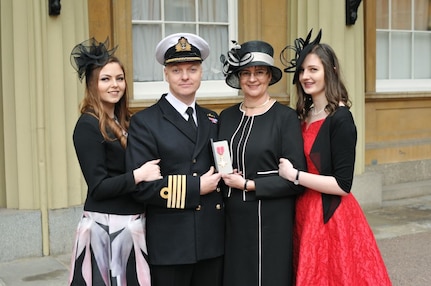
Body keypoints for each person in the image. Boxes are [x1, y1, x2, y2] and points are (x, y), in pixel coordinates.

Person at [279, 29, 392, 285]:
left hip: (330, 216)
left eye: (313, 70)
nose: (306, 76)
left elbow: (343, 185)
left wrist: (295, 175)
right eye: (302, 71)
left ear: (330, 70)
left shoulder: (340, 118)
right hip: (303, 212)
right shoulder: (304, 115)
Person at [125, 33, 224, 286]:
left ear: (202, 73)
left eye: (192, 69)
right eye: (176, 70)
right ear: (165, 75)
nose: (185, 76)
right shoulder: (145, 122)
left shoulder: (212, 119)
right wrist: (196, 187)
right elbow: (143, 188)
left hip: (211, 241)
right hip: (171, 245)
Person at [68, 38, 162, 286]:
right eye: (105, 79)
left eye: (119, 78)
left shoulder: (127, 121)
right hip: (105, 228)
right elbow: (98, 186)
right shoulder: (87, 126)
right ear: (92, 84)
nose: (115, 85)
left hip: (132, 224)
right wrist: (138, 176)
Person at [218, 40, 306, 286]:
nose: (252, 79)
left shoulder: (285, 118)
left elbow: (295, 181)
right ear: (238, 77)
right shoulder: (227, 116)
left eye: (259, 72)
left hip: (271, 220)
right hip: (232, 220)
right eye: (246, 73)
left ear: (269, 77)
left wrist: (248, 184)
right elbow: (221, 161)